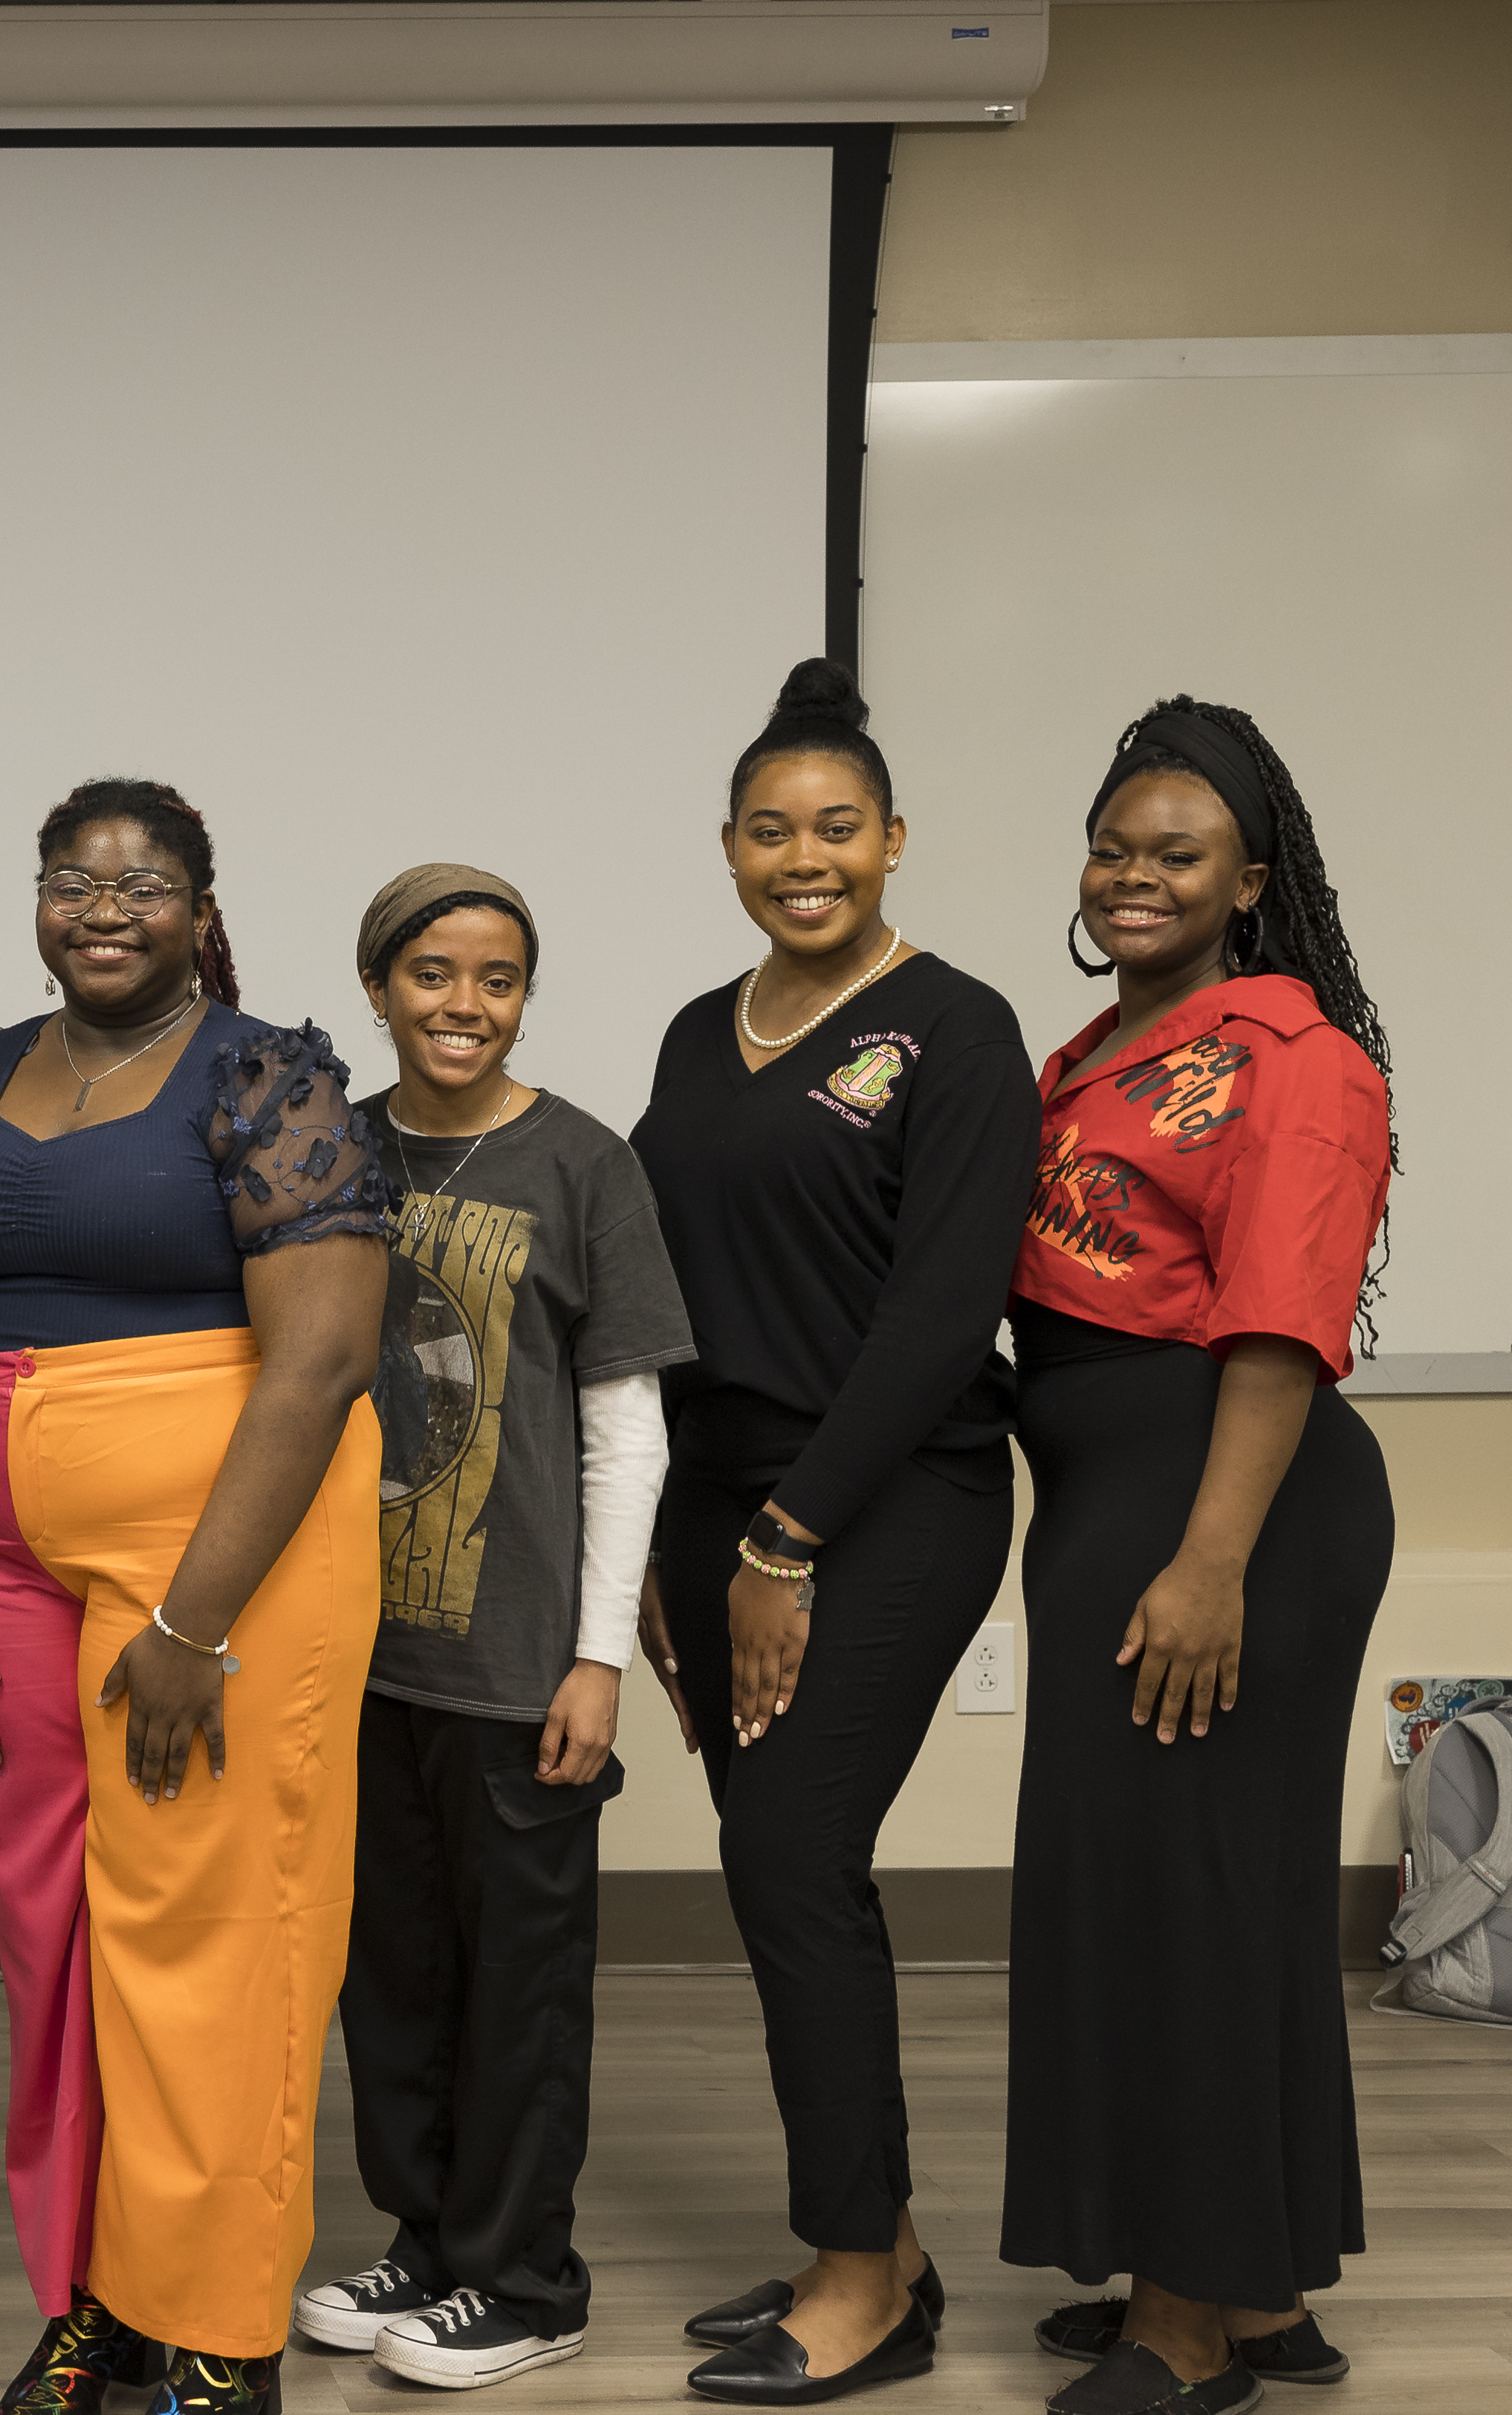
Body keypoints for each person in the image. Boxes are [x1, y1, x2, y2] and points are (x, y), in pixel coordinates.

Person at [0, 779, 393, 2415]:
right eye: (71, 880)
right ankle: (95, 2293)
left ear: (198, 904)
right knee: (54, 1931)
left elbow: (316, 1359)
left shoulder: (263, 1075)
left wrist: (192, 1623)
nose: (103, 908)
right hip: (2, 1567)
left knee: (207, 1933)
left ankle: (217, 2324)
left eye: (143, 884)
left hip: (217, 1560)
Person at [629, 659, 1038, 2408]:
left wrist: (784, 1543)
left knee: (786, 1861)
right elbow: (659, 1299)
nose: (804, 857)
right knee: (787, 1872)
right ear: (726, 847)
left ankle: (861, 2270)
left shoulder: (955, 1028)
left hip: (889, 1494)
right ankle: (866, 2240)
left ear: (891, 841)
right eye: (769, 830)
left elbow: (941, 1313)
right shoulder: (689, 1029)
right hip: (718, 1501)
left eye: (837, 828)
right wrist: (669, 1546)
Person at [999, 700, 1394, 2415]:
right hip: (1116, 1493)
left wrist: (1209, 1559)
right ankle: (1249, 2283)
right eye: (1114, 845)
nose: (1135, 873)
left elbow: (1278, 1325)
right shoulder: (1096, 1050)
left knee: (1203, 1900)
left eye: (1176, 852)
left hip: (1232, 1501)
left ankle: (1183, 2321)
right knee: (1162, 1894)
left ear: (1248, 878)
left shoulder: (1291, 1053)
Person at [293, 865, 690, 2393]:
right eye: (431, 974)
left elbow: (624, 1431)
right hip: (353, 1642)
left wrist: (592, 1653)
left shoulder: (579, 1163)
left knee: (515, 1977)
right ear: (379, 985)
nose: (463, 1003)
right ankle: (430, 2235)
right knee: (388, 1966)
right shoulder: (327, 1151)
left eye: (496, 977)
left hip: (516, 1653)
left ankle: (526, 2276)